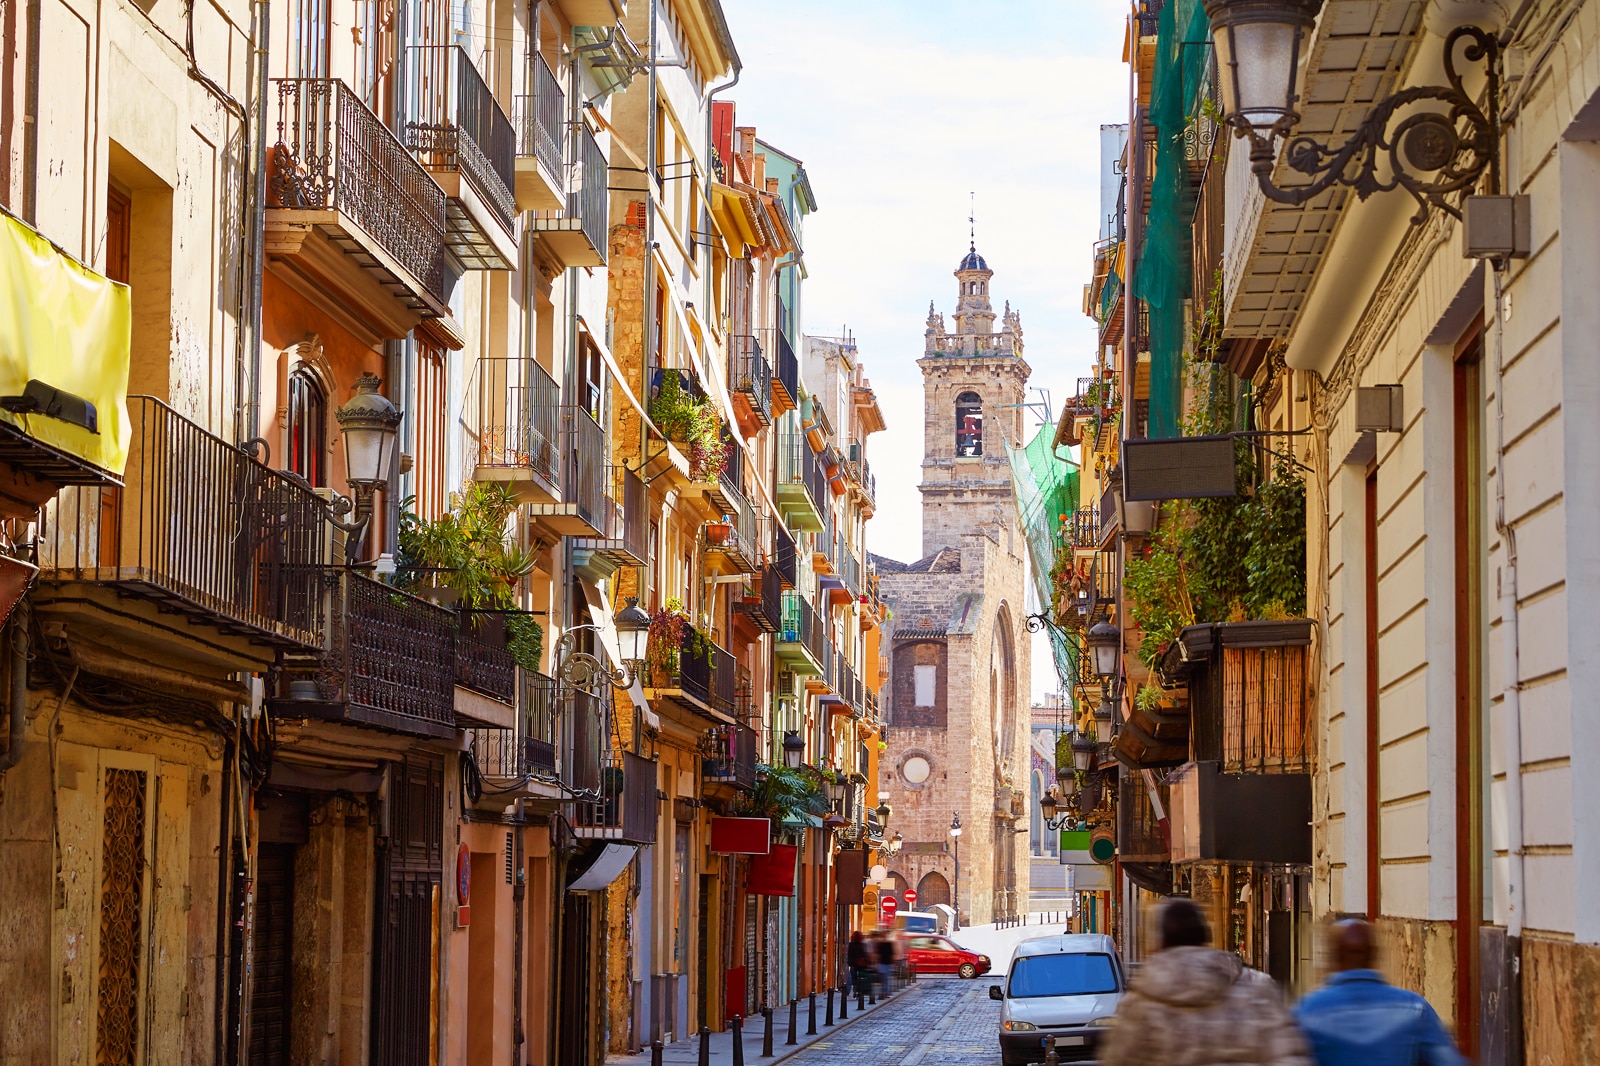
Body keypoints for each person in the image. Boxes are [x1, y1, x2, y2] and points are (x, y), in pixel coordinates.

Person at [1100, 896, 1309, 1066]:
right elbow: (1288, 1056)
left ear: (1159, 942)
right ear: (1205, 936)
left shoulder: (1139, 1006)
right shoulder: (1258, 989)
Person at [1294, 919, 1463, 1066]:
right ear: (1374, 955)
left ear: (1333, 957)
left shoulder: (1307, 1012)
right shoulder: (1415, 1009)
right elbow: (1448, 1061)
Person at [845, 931, 871, 998]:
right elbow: (865, 954)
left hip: (853, 964)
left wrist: (850, 962)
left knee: (853, 978)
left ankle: (853, 991)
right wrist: (868, 962)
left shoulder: (851, 944)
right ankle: (859, 992)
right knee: (860, 978)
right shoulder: (862, 945)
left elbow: (849, 954)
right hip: (861, 964)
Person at [875, 930, 896, 996]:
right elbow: (878, 955)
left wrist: (893, 963)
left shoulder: (889, 944)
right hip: (882, 963)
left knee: (886, 978)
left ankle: (886, 991)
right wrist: (877, 963)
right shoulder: (880, 944)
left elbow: (892, 955)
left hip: (887, 963)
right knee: (883, 978)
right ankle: (883, 991)